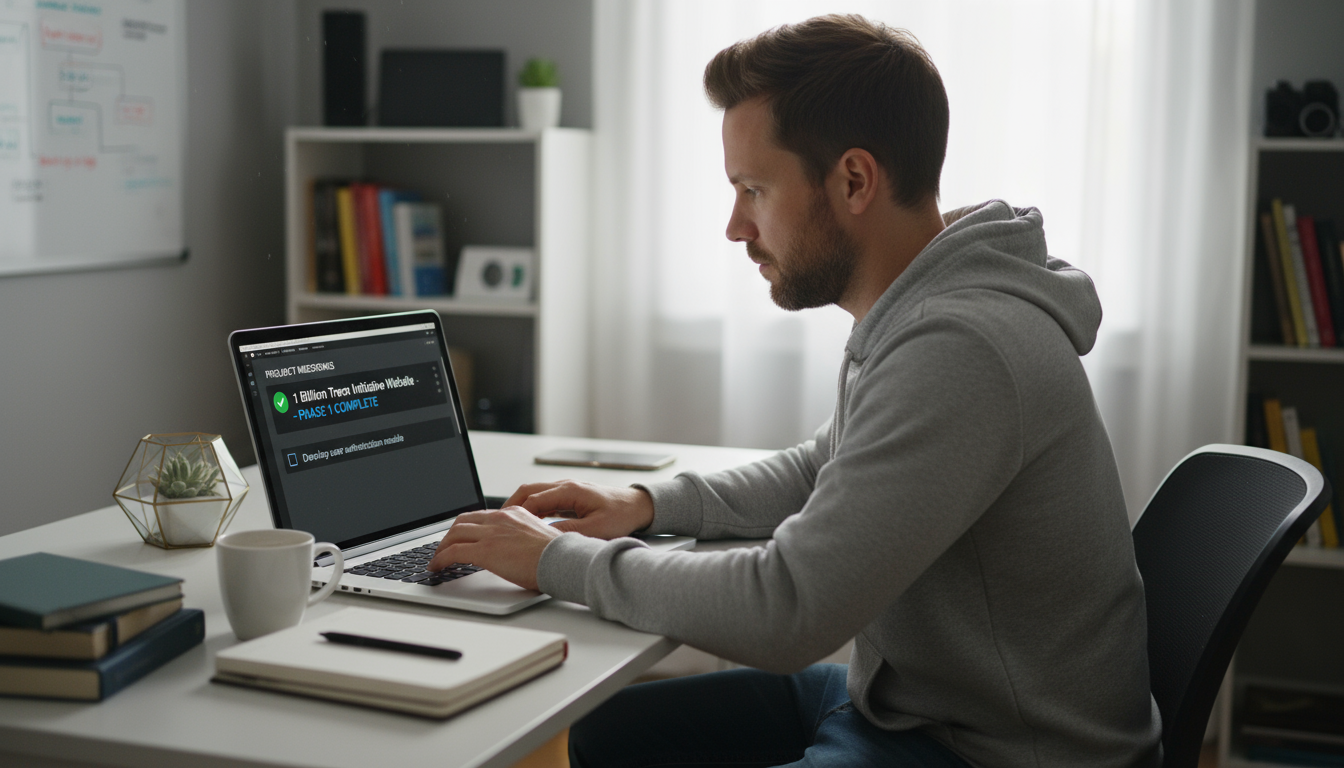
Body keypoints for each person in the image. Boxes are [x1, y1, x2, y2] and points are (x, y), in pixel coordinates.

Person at [431, 14, 1162, 768]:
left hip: (991, 751)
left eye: (753, 188)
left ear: (853, 179)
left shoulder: (963, 346)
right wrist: (647, 506)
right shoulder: (928, 304)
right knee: (581, 739)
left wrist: (555, 561)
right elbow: (825, 465)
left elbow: (788, 609)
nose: (734, 226)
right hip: (910, 703)